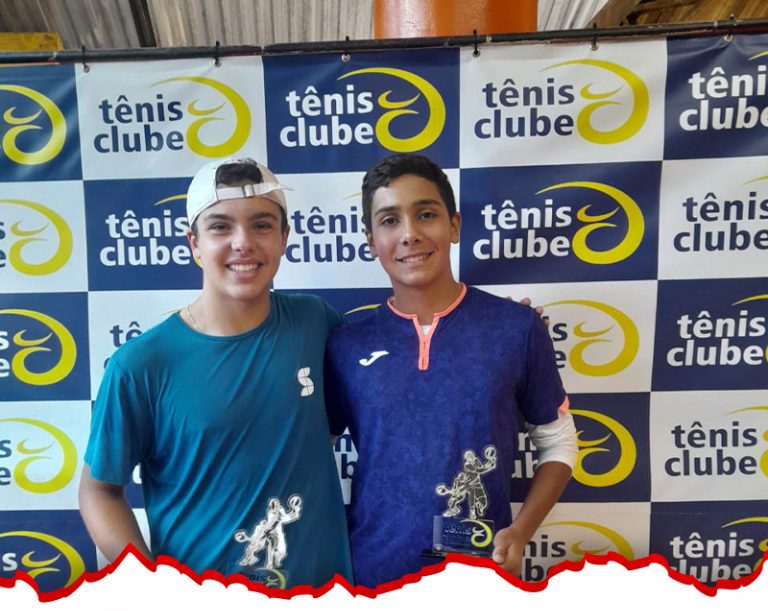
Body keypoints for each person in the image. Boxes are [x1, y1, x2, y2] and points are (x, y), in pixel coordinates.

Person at [79, 157, 352, 588]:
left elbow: (332, 427)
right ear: (194, 242)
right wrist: (149, 583)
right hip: (204, 610)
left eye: (261, 225)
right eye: (221, 227)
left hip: (323, 600)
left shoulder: (315, 322)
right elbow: (99, 491)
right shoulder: (140, 364)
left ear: (284, 237)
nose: (243, 243)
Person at [324, 154, 578, 588]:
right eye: (390, 220)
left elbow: (559, 443)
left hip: (478, 578)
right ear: (371, 241)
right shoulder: (347, 345)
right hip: (370, 580)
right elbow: (310, 456)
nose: (409, 234)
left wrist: (520, 531)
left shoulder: (516, 328)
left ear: (454, 226)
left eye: (426, 214)